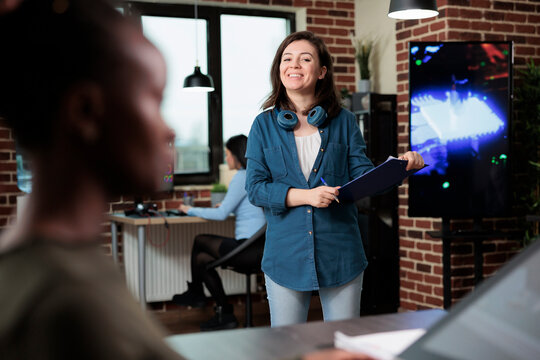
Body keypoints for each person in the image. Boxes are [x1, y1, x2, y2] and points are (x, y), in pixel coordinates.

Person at [0, 0, 184, 358]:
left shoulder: (46, 265)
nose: (170, 130)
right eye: (154, 100)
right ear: (85, 111)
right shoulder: (68, 304)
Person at [245, 31, 424, 327]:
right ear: (279, 69)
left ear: (322, 72)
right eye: (286, 59)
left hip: (342, 253)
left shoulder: (345, 121)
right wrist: (307, 196)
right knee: (287, 346)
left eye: (305, 59)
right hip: (285, 255)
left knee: (343, 343)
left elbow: (364, 178)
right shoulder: (262, 125)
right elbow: (255, 189)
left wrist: (402, 169)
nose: (294, 65)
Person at [173, 134, 266, 331]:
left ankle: (198, 294)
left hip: (247, 250)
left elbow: (222, 214)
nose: (226, 159)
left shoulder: (241, 177)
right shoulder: (257, 174)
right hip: (260, 249)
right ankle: (224, 313)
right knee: (203, 260)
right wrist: (225, 205)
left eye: (227, 154)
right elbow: (243, 205)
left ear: (237, 155)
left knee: (200, 240)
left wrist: (188, 209)